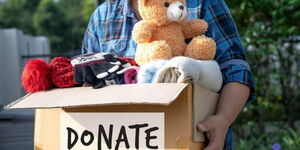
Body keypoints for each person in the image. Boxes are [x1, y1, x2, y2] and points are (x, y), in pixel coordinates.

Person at [81, 0, 255, 149]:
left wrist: (223, 119)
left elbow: (235, 68)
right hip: (123, 138)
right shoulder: (102, 16)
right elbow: (85, 81)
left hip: (195, 139)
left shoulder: (201, 4)